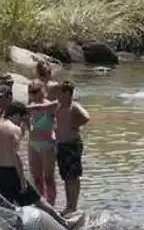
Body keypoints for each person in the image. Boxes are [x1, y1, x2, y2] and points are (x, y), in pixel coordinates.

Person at [0, 98, 76, 228]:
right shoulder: (14, 129)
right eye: (21, 118)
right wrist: (22, 180)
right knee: (39, 201)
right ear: (15, 114)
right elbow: (15, 156)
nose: (21, 122)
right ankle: (64, 223)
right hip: (12, 172)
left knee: (4, 205)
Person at [55, 81, 90, 215]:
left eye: (60, 92)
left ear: (68, 93)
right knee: (65, 176)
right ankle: (68, 205)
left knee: (73, 177)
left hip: (72, 145)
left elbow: (86, 117)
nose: (58, 95)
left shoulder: (74, 106)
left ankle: (73, 206)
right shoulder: (59, 107)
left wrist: (76, 125)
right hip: (61, 145)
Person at [26, 80, 60, 206]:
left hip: (47, 144)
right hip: (33, 144)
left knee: (49, 178)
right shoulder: (29, 106)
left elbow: (50, 109)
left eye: (36, 91)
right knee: (37, 179)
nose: (34, 94)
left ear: (43, 91)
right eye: (31, 92)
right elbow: (28, 127)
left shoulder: (49, 105)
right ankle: (41, 203)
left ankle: (52, 204)